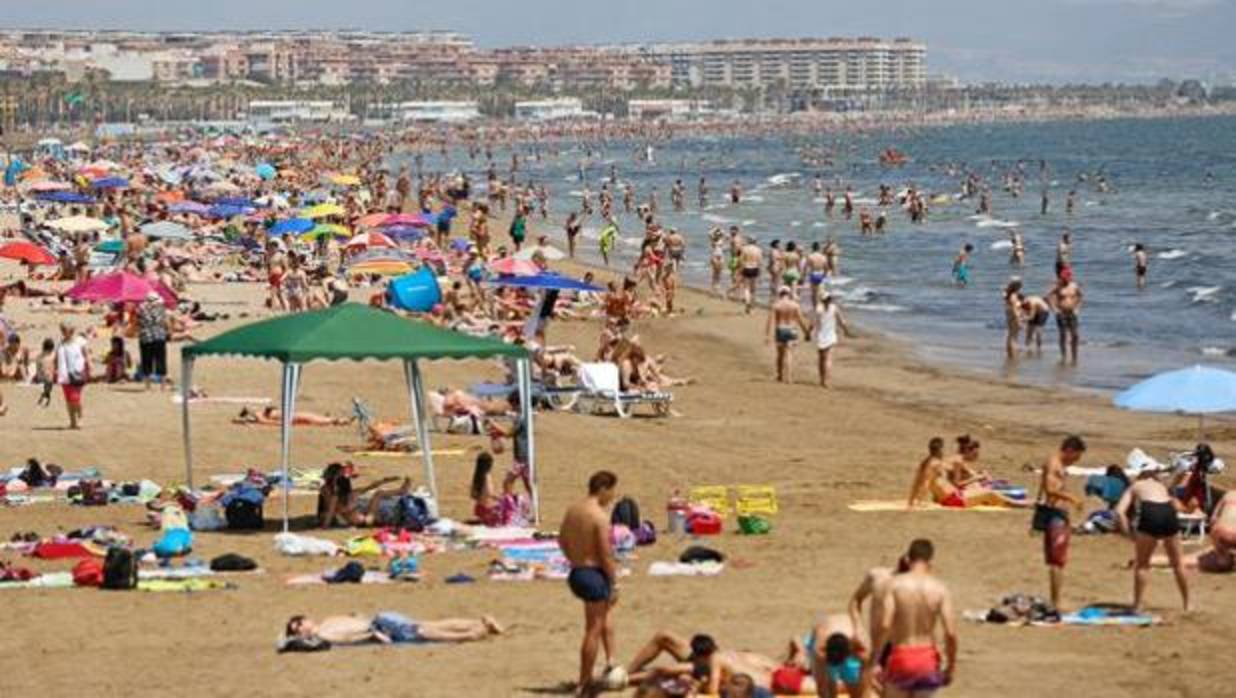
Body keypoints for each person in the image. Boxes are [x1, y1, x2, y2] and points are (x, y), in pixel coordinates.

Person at [864, 539, 958, 698]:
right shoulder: (940, 589)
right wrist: (950, 666)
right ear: (930, 562)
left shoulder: (894, 585)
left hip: (901, 655)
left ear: (908, 559)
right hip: (927, 658)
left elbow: (885, 625)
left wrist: (874, 660)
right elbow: (950, 633)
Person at [561, 471, 620, 697]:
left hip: (576, 571)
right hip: (593, 573)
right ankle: (584, 683)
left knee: (604, 617)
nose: (612, 496)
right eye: (612, 491)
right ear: (603, 488)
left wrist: (575, 559)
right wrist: (614, 582)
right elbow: (605, 554)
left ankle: (610, 660)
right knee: (593, 630)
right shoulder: (599, 516)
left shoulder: (573, 510)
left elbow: (562, 540)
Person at [1115, 471, 1189, 611]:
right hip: (1168, 512)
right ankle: (1187, 604)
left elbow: (1119, 511)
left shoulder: (1136, 485)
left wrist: (1128, 533)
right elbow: (1179, 507)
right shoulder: (1161, 486)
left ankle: (1137, 605)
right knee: (1178, 563)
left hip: (1150, 512)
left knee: (1142, 564)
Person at [1036, 435, 1087, 610]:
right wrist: (1073, 498)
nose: (1076, 461)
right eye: (1076, 456)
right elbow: (1050, 490)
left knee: (1055, 561)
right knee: (1057, 561)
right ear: (1069, 450)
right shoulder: (1054, 463)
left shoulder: (1057, 464)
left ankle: (1055, 600)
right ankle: (1056, 602)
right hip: (1055, 514)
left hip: (1057, 514)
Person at [280, 612, 502, 649]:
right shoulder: (328, 621)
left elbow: (348, 637)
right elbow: (355, 619)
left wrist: (373, 635)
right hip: (381, 618)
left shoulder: (324, 632)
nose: (301, 629)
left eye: (299, 624)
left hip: (379, 625)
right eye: (297, 629)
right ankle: (477, 622)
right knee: (427, 625)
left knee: (423, 632)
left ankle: (471, 633)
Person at [767, 287, 810, 384]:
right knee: (789, 353)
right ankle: (789, 377)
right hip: (792, 329)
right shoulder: (795, 305)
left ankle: (780, 375)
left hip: (780, 329)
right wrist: (806, 332)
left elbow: (770, 321)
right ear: (789, 294)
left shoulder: (776, 305)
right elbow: (800, 320)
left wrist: (767, 335)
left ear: (780, 294)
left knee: (780, 355)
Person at [812, 291, 854, 389]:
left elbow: (813, 322)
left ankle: (822, 380)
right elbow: (842, 322)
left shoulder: (818, 309)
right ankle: (827, 381)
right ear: (830, 300)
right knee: (828, 359)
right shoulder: (834, 308)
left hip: (820, 336)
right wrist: (847, 332)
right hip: (831, 335)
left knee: (821, 359)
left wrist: (808, 333)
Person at [54, 322, 90, 430]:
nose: (64, 332)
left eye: (66, 330)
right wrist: (55, 371)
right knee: (68, 400)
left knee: (75, 398)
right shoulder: (60, 345)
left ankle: (80, 417)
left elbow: (86, 355)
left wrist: (88, 368)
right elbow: (57, 359)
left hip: (78, 373)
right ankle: (72, 421)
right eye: (63, 330)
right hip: (65, 375)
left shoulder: (79, 342)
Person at [1046, 269, 1083, 365]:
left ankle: (1074, 357)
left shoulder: (1074, 286)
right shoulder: (1058, 287)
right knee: (1063, 335)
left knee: (1075, 335)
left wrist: (1077, 308)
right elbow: (1048, 296)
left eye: (1067, 277)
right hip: (1061, 313)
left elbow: (1080, 296)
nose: (1065, 279)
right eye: (1063, 278)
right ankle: (1064, 356)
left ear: (1070, 277)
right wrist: (1054, 309)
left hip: (1072, 313)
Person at [136, 291, 170, 390]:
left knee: (146, 360)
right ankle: (163, 386)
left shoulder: (141, 310)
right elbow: (165, 322)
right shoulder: (161, 309)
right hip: (159, 336)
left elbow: (138, 322)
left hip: (145, 336)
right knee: (161, 359)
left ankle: (148, 386)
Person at [1003, 280, 1023, 360]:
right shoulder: (1013, 296)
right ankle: (1013, 355)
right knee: (1014, 336)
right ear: (1017, 288)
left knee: (1011, 335)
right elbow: (1015, 310)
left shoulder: (1009, 295)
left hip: (1009, 316)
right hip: (1014, 317)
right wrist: (1019, 320)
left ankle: (1010, 353)